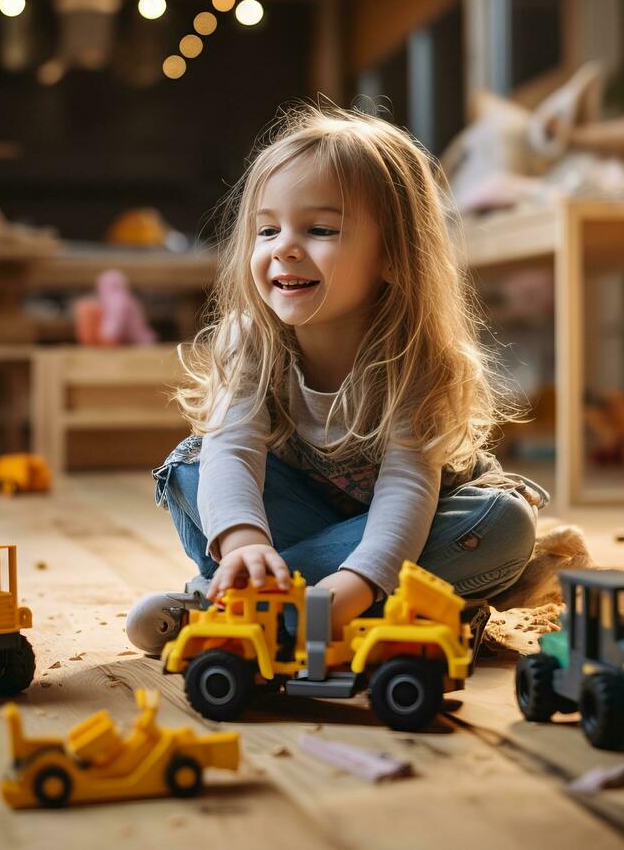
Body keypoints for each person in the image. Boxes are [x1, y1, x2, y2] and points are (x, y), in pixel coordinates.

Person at [127, 103, 547, 653]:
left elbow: (407, 488)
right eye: (268, 230)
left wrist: (359, 582)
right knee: (192, 467)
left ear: (394, 257)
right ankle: (289, 597)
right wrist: (245, 543)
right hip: (299, 515)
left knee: (504, 522)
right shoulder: (250, 337)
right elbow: (233, 448)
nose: (285, 248)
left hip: (410, 528)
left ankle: (222, 608)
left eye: (320, 229)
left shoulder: (412, 356)